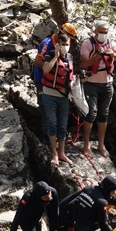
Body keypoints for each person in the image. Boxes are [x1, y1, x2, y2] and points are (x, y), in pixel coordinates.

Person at [80, 20, 116, 158]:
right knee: (91, 113)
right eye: (101, 32)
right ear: (95, 32)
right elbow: (84, 63)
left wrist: (113, 54)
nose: (103, 35)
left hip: (107, 84)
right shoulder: (87, 44)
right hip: (91, 83)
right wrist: (98, 56)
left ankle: (101, 144)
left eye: (105, 33)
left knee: (103, 115)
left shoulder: (111, 43)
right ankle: (86, 145)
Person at [33, 23, 78, 136]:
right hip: (42, 81)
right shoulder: (47, 44)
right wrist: (51, 68)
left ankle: (58, 136)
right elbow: (38, 61)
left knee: (59, 111)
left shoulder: (65, 47)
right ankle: (47, 138)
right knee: (46, 109)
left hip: (57, 84)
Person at [41, 33, 74, 166]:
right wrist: (56, 56)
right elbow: (46, 70)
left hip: (63, 97)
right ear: (57, 45)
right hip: (50, 95)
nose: (65, 47)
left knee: (63, 125)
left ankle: (62, 152)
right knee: (52, 123)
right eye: (63, 45)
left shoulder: (70, 57)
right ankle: (54, 154)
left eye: (67, 45)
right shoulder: (49, 54)